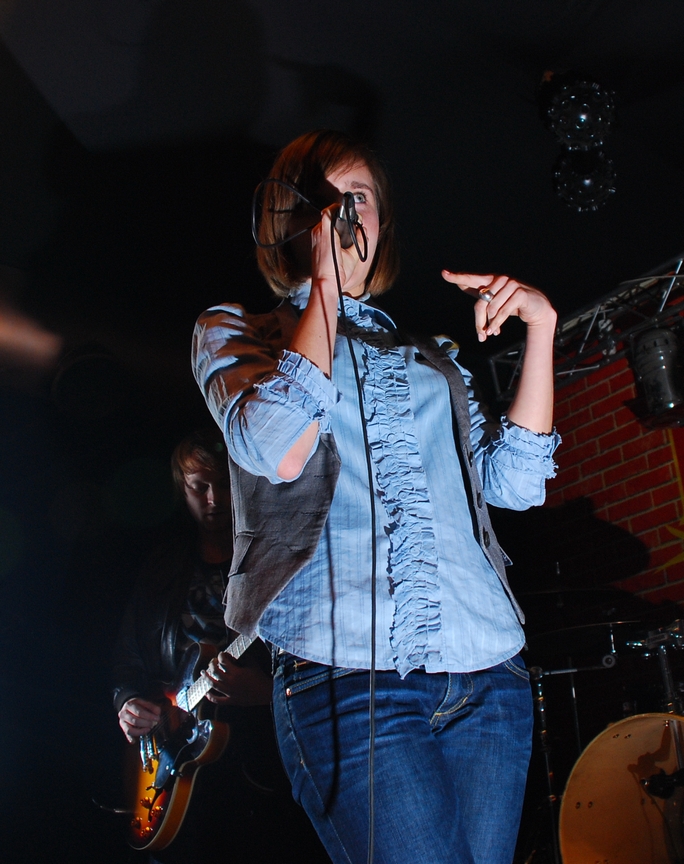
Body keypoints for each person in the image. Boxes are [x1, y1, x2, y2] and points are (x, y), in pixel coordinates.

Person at [192, 129, 560, 864]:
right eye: (322, 200)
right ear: (286, 221)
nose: (343, 214)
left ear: (382, 222)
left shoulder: (432, 358)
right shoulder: (238, 333)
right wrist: (326, 286)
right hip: (347, 672)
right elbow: (277, 447)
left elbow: (515, 486)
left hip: (488, 669)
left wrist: (542, 329)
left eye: (357, 197)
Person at [112, 429, 328, 864]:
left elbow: (324, 662)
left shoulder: (276, 563)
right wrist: (128, 701)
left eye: (224, 485)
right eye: (199, 487)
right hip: (176, 756)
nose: (213, 500)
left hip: (256, 770)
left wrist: (268, 693)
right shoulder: (162, 566)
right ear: (182, 490)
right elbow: (128, 656)